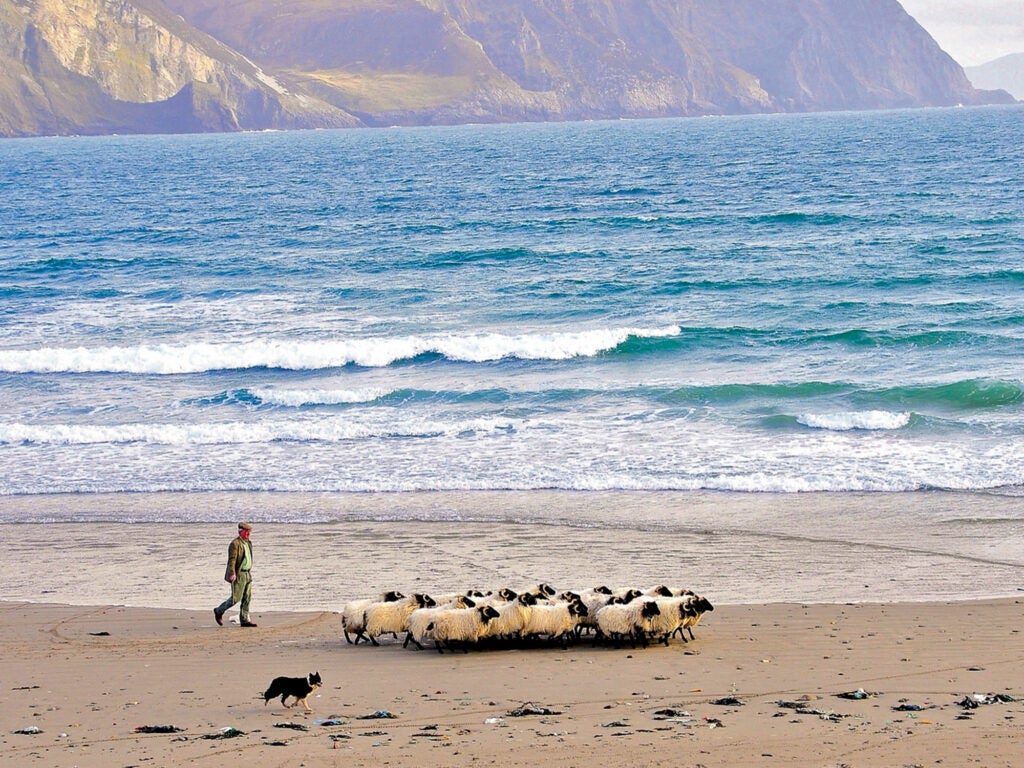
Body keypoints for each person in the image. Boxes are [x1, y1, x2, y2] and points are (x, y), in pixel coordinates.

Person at [214, 522, 257, 627]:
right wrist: (232, 573)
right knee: (235, 598)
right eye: (246, 531)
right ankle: (219, 611)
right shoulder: (235, 544)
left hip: (247, 573)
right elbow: (231, 560)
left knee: (247, 597)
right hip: (239, 574)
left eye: (249, 531)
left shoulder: (248, 543)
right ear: (240, 531)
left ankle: (244, 619)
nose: (248, 534)